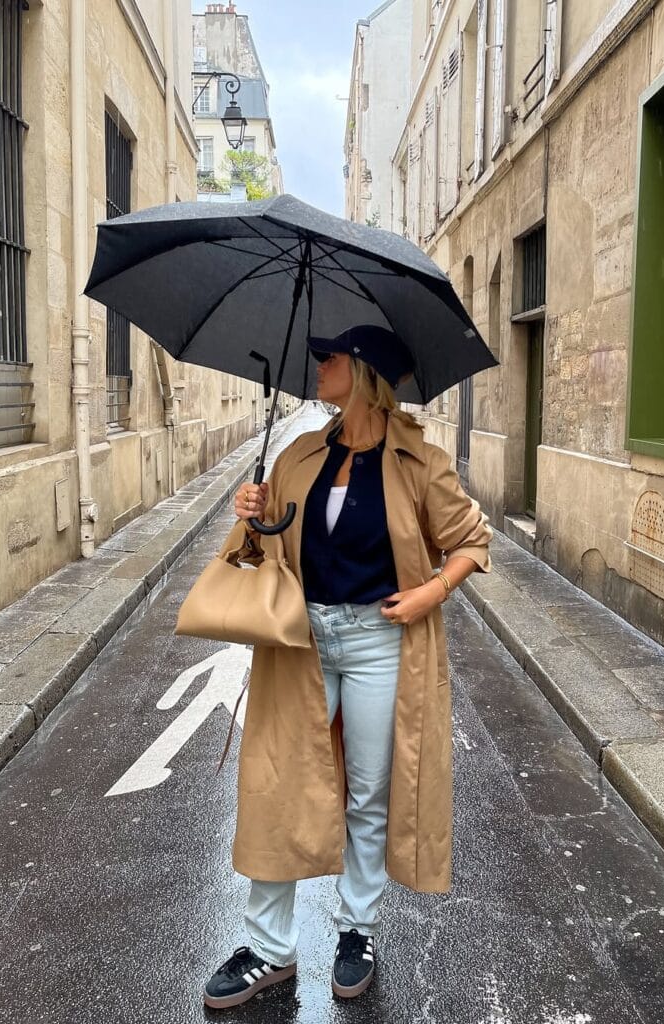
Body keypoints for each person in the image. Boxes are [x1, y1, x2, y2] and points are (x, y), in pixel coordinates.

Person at [203, 325, 493, 1010]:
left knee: (367, 792)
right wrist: (251, 511)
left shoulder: (419, 461)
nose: (319, 365)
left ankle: (356, 930)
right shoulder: (301, 453)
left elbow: (470, 542)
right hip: (300, 637)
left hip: (378, 642)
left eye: (329, 356)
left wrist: (430, 592)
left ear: (363, 371)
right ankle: (269, 948)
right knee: (278, 784)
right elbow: (261, 546)